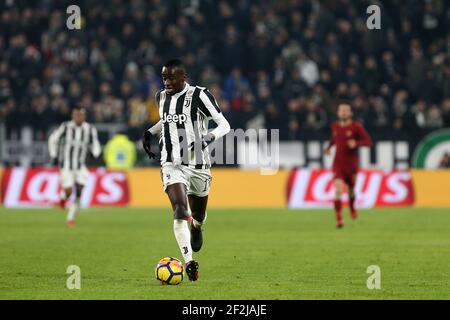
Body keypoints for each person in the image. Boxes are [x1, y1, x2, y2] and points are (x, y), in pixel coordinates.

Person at [142, 59, 230, 281]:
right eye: (164, 78)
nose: (167, 82)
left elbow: (224, 125)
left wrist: (207, 138)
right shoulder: (160, 97)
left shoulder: (200, 95)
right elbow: (167, 121)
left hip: (199, 164)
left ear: (184, 77)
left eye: (172, 78)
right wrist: (150, 132)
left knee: (198, 214)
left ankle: (197, 227)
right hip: (171, 162)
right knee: (181, 209)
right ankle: (189, 262)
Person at [48, 107, 101, 227]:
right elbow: (53, 139)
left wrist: (96, 153)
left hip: (81, 166)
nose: (78, 117)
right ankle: (63, 197)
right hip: (66, 165)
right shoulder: (65, 127)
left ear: (84, 116)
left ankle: (70, 218)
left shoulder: (89, 129)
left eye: (81, 115)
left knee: (79, 190)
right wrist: (53, 155)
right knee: (68, 191)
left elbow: (95, 143)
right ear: (73, 116)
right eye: (76, 115)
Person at [325, 103, 372, 228]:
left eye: (346, 111)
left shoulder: (356, 127)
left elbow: (368, 141)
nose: (343, 113)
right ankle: (339, 219)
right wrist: (329, 147)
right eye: (341, 110)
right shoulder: (334, 126)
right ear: (338, 113)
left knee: (351, 191)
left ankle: (351, 206)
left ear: (350, 113)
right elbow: (335, 139)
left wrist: (356, 143)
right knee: (338, 190)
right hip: (338, 165)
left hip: (351, 166)